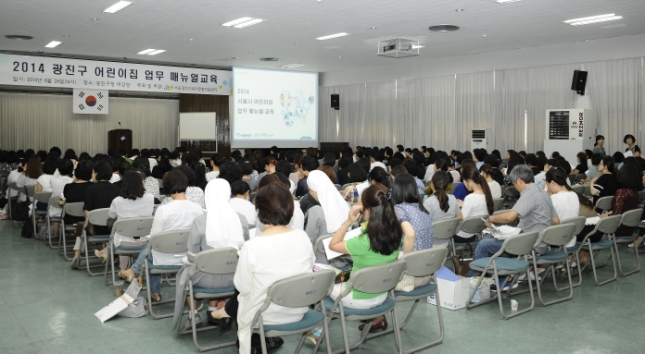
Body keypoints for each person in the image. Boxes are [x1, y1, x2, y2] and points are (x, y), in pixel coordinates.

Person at [209, 183, 314, 354]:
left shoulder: (252, 247)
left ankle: (228, 316)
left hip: (264, 315)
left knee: (246, 296)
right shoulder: (302, 237)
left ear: (259, 211)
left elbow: (242, 287)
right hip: (298, 308)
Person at [172, 179, 250, 331]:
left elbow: (192, 256)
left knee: (186, 271)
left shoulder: (200, 222)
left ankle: (193, 316)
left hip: (206, 279)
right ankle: (213, 311)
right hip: (235, 279)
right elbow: (246, 250)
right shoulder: (241, 219)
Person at [118, 169, 204, 301]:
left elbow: (154, 240)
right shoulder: (198, 208)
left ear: (166, 186)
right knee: (152, 249)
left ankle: (153, 290)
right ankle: (138, 275)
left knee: (150, 250)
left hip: (164, 259)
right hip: (189, 257)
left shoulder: (163, 210)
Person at [326, 184, 401, 333]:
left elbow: (333, 245)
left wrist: (348, 222)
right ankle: (378, 319)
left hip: (358, 298)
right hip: (382, 293)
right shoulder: (397, 233)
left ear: (367, 210)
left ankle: (318, 330)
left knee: (324, 280)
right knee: (346, 274)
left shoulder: (363, 241)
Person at [468, 165, 560, 276]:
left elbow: (510, 217)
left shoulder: (529, 194)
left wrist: (491, 218)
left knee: (484, 244)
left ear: (520, 181)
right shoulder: (543, 193)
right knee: (494, 240)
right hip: (541, 243)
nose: (515, 187)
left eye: (514, 184)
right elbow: (555, 221)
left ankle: (471, 279)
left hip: (529, 244)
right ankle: (499, 277)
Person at [96, 170, 154, 269]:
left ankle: (122, 268)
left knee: (120, 229)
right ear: (141, 183)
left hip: (123, 242)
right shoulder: (150, 198)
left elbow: (110, 215)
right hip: (145, 241)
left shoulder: (117, 201)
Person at [392, 173, 434, 279]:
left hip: (411, 272)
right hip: (427, 267)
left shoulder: (399, 209)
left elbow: (410, 234)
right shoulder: (422, 208)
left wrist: (405, 262)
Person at [305, 170, 350, 267]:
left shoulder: (316, 211)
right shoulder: (346, 205)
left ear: (313, 189)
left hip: (322, 264)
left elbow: (309, 241)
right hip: (347, 259)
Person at [64, 161, 94, 269]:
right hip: (88, 220)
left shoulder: (68, 187)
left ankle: (76, 249)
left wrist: (75, 177)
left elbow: (66, 196)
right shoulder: (93, 187)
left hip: (70, 220)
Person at [455, 165, 494, 243]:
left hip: (462, 235)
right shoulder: (486, 194)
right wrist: (464, 205)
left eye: (464, 181)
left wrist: (455, 209)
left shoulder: (470, 198)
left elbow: (461, 218)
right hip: (475, 233)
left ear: (468, 180)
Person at [544, 168, 581, 248]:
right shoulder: (574, 195)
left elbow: (546, 220)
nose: (547, 187)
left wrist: (546, 194)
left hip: (556, 240)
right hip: (571, 239)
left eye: (547, 184)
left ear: (552, 183)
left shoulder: (553, 198)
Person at [423, 172, 459, 249]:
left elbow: (424, 227)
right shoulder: (453, 198)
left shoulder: (428, 202)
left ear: (432, 184)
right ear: (447, 186)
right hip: (447, 240)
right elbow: (460, 217)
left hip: (431, 243)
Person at [49, 159, 74, 239]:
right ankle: (71, 232)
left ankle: (56, 233)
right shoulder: (72, 181)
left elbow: (56, 175)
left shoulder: (53, 180)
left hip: (56, 208)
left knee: (56, 209)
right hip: (69, 210)